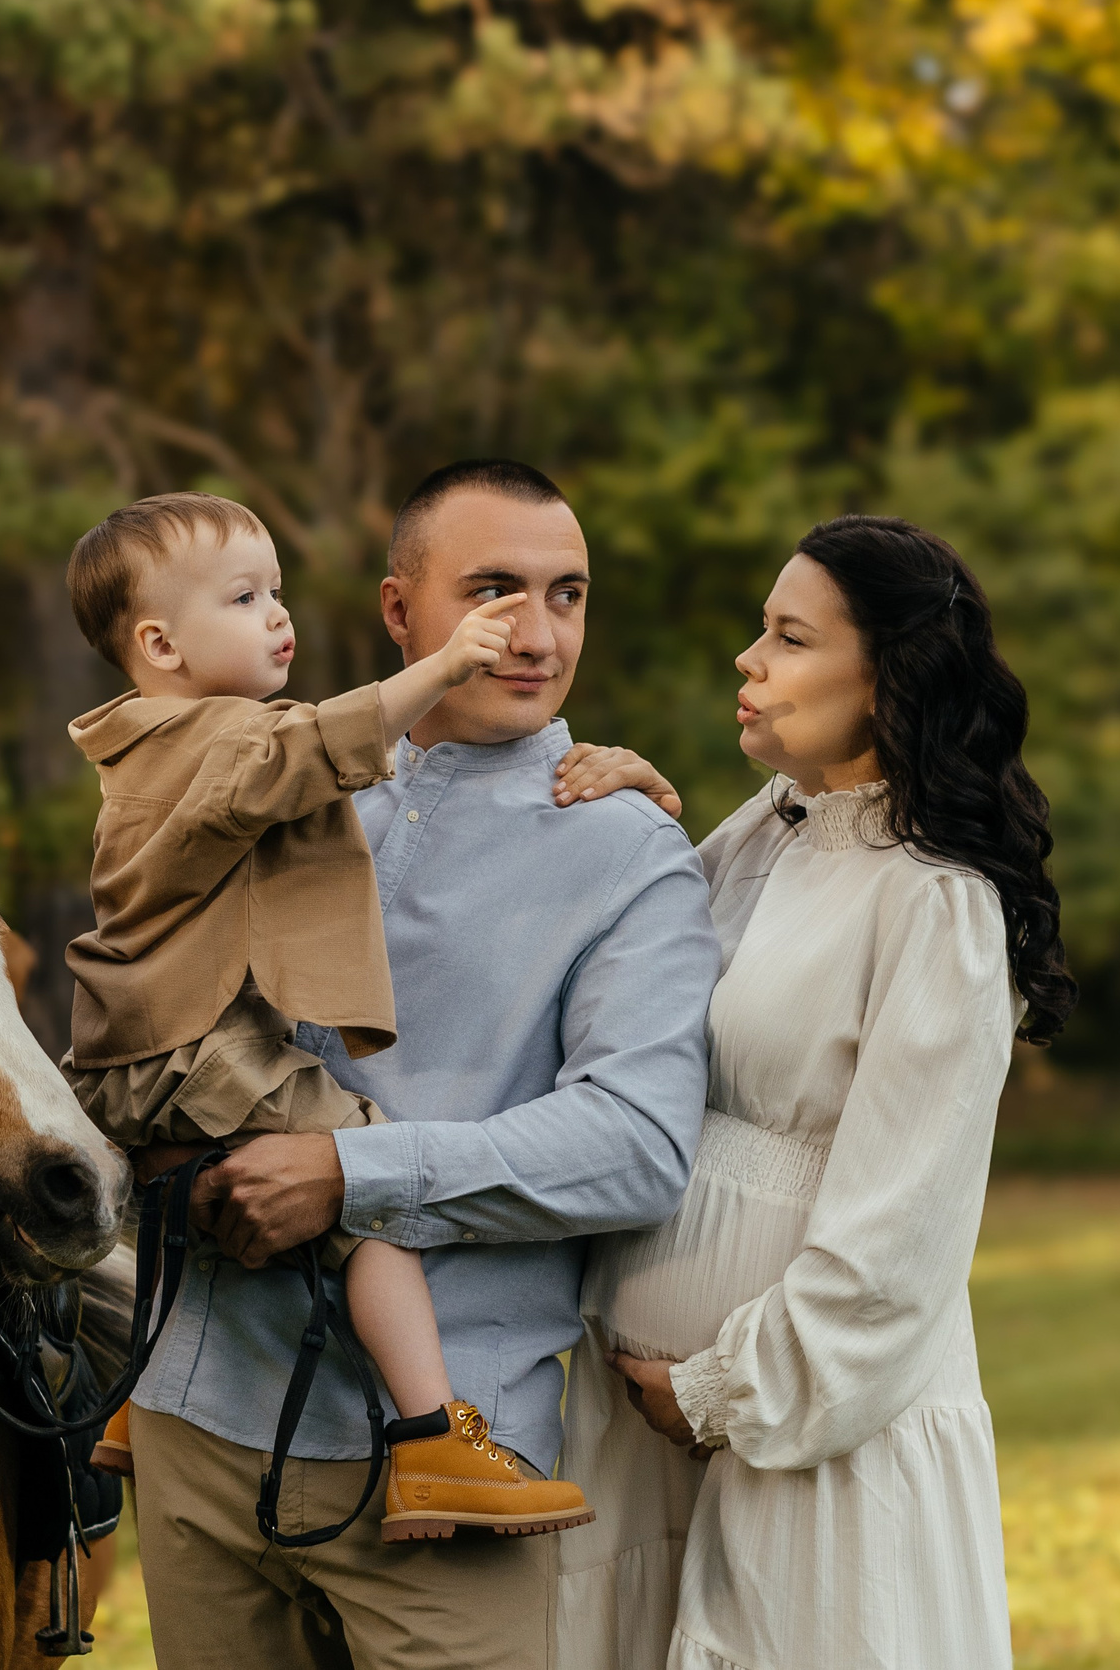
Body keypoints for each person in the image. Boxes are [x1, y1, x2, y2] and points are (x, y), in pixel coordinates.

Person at [121, 462, 721, 1670]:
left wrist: (353, 1173)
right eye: (495, 589)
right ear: (402, 612)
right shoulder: (282, 768)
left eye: (568, 594)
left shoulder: (623, 850)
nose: (538, 633)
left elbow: (639, 1144)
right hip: (193, 1422)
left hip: (445, 1471)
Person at [556, 515, 1077, 1670]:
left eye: (789, 637)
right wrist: (639, 828)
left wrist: (721, 1390)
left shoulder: (934, 903)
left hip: (819, 1435)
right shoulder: (769, 832)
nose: (749, 660)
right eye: (760, 630)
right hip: (645, 1439)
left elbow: (901, 1230)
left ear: (889, 678)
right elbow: (631, 991)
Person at [60, 488, 615, 1539]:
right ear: (160, 642)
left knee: (217, 1194)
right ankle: (430, 1437)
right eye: (242, 596)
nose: (279, 615)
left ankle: (141, 1395)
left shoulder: (152, 740)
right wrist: (444, 669)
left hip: (136, 1043)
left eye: (274, 589)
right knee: (360, 1175)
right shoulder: (212, 745)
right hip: (189, 1047)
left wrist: (609, 773)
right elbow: (315, 749)